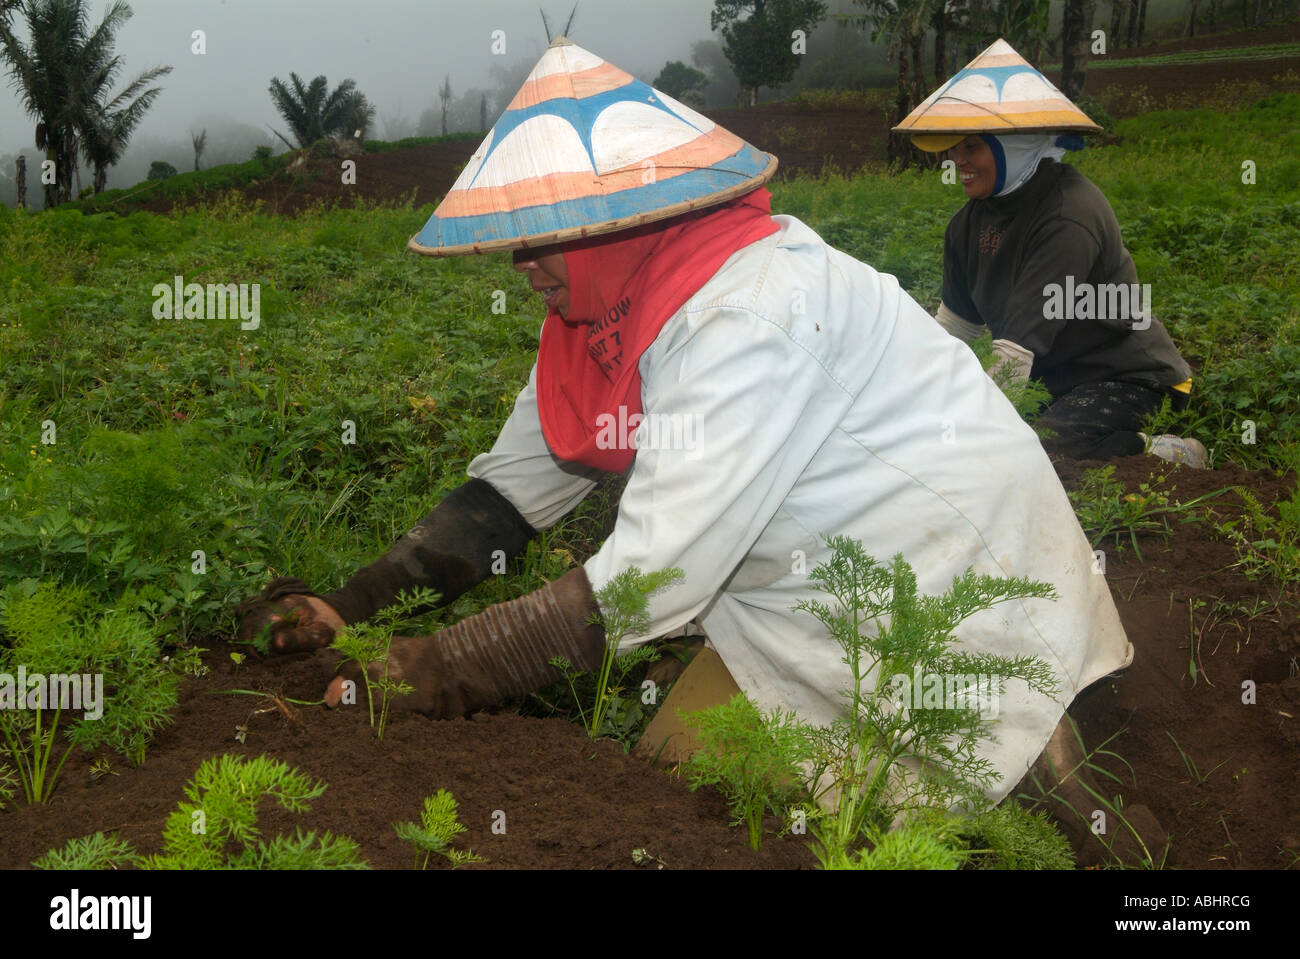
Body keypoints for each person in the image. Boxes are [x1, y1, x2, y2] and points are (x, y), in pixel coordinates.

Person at [235, 39, 1135, 816]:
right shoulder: (609, 325)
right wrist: (350, 605)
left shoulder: (748, 318)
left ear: (624, 225)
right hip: (810, 596)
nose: (523, 265)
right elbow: (508, 493)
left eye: (542, 236)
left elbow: (645, 581)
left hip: (952, 582)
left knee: (983, 777)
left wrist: (432, 670)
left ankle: (1053, 755)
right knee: (680, 781)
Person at [895, 39, 1205, 467]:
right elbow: (955, 330)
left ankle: (1160, 451)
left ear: (1017, 144)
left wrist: (966, 443)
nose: (957, 160)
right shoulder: (967, 224)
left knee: (1038, 453)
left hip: (1128, 377)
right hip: (1055, 378)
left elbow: (1014, 355)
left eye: (972, 146)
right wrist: (918, 408)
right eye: (954, 148)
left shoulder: (1066, 217)